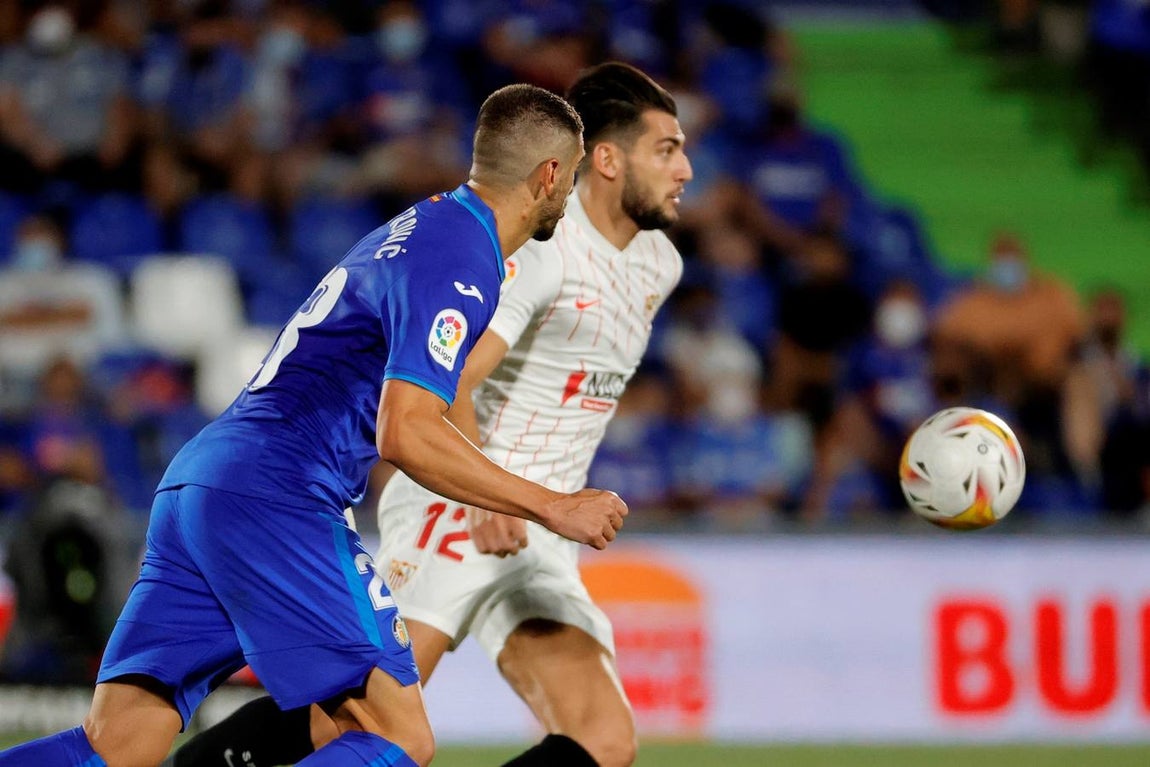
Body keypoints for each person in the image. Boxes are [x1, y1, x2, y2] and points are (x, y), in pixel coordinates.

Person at [0, 83, 631, 767]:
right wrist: (552, 504)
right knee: (398, 736)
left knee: (116, 744)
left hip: (205, 478)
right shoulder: (463, 256)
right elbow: (406, 431)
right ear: (548, 176)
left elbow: (428, 398)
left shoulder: (426, 227)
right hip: (279, 488)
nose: (569, 196)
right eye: (570, 177)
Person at [164, 61, 690, 767]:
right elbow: (455, 378)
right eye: (667, 149)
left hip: (543, 528)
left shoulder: (659, 263)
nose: (685, 168)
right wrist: (492, 498)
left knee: (603, 740)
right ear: (605, 159)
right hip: (467, 507)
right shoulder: (542, 255)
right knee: (352, 722)